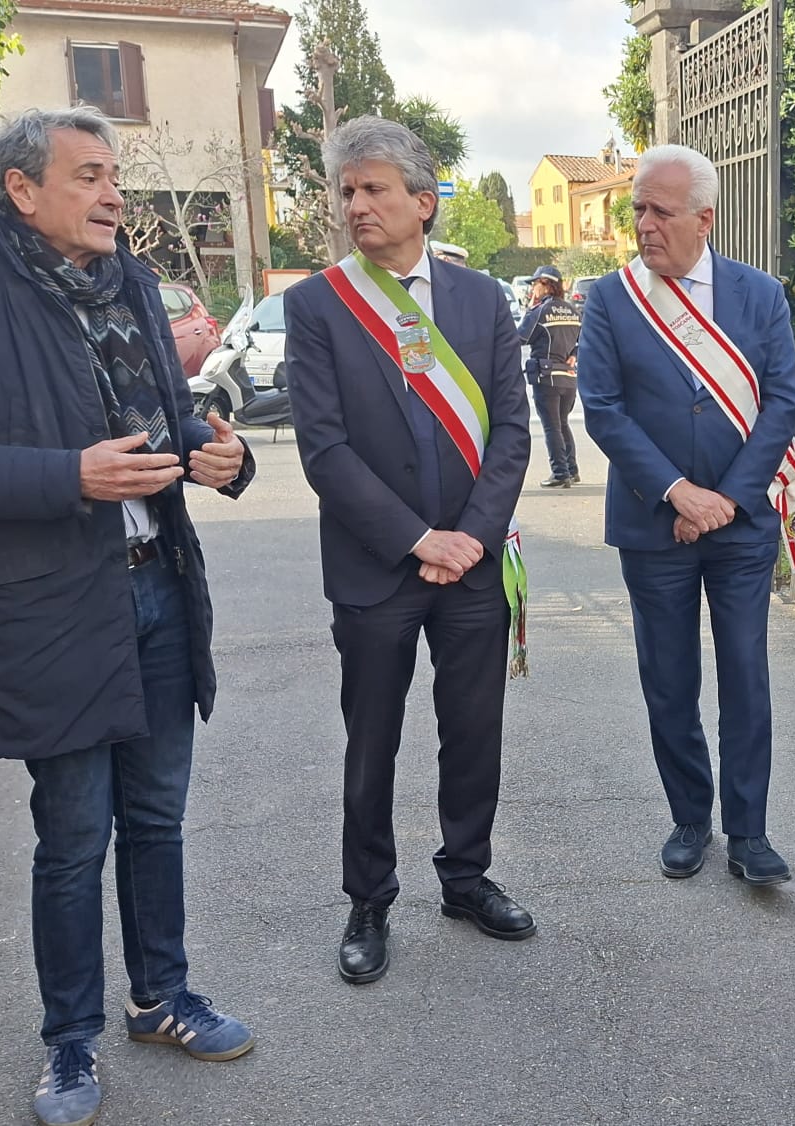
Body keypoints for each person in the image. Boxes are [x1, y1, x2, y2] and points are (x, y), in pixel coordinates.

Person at [0, 105, 257, 1126]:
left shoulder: (129, 281)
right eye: (90, 176)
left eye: (114, 175)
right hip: (46, 608)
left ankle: (161, 997)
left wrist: (222, 454)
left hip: (158, 584)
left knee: (157, 817)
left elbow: (159, 418)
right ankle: (69, 1040)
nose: (114, 195)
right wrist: (65, 476)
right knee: (75, 834)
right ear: (22, 189)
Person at [284, 116, 534, 987]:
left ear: (423, 202)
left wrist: (469, 538)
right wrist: (418, 539)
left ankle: (466, 878)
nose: (357, 204)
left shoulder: (479, 299)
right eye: (347, 190)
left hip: (471, 565)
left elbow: (511, 432)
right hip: (376, 567)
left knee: (474, 731)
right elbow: (324, 450)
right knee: (372, 741)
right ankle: (369, 898)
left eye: (374, 188)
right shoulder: (318, 304)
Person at [578, 144, 795, 885]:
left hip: (740, 524)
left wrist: (724, 500)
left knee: (745, 674)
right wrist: (677, 493)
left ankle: (749, 831)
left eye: (660, 211)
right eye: (638, 209)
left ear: (704, 219)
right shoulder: (613, 298)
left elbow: (781, 403)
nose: (644, 224)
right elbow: (603, 409)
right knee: (668, 679)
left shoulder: (760, 294)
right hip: (653, 523)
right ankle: (689, 817)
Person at [518, 264, 583, 487]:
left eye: (535, 284)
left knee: (552, 426)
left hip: (547, 378)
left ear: (546, 285)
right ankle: (572, 470)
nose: (532, 288)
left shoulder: (539, 311)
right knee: (562, 423)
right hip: (569, 378)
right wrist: (574, 354)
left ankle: (560, 473)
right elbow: (585, 340)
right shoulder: (573, 310)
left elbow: (520, 338)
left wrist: (530, 308)